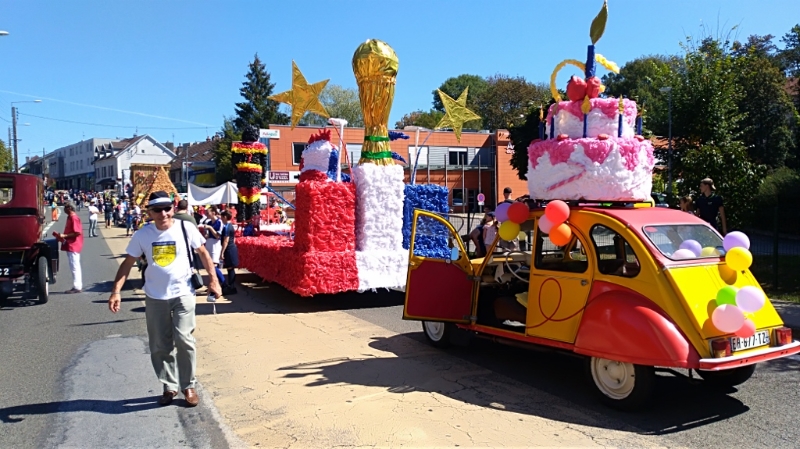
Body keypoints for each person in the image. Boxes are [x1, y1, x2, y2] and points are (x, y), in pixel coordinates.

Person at [108, 191, 221, 407]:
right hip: (155, 296)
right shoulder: (142, 235)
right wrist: (116, 291)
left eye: (167, 208)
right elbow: (127, 263)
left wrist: (213, 281)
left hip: (184, 293)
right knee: (160, 344)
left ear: (173, 208)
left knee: (184, 339)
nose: (163, 214)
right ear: (149, 212)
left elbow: (204, 253)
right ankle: (169, 386)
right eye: (157, 210)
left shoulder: (186, 228)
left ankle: (188, 386)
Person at [57, 203, 84, 293]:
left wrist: (65, 235)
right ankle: (77, 285)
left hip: (73, 244)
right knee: (74, 265)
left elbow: (77, 232)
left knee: (74, 265)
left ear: (70, 208)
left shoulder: (73, 218)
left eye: (65, 207)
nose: (64, 209)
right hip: (71, 244)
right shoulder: (70, 217)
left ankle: (77, 286)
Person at [199, 206, 226, 287]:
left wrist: (210, 228)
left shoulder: (219, 222)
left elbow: (217, 236)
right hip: (209, 243)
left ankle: (223, 283)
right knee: (209, 265)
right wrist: (205, 234)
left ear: (213, 213)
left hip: (215, 244)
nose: (206, 214)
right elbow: (207, 235)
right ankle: (214, 283)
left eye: (208, 213)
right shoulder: (209, 222)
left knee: (213, 265)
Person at [219, 210, 239, 295]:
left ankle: (232, 287)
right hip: (231, 248)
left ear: (225, 217)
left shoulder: (227, 227)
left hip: (229, 249)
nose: (221, 219)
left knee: (230, 269)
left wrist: (222, 252)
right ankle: (231, 286)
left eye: (222, 217)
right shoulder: (230, 226)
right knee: (230, 268)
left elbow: (226, 240)